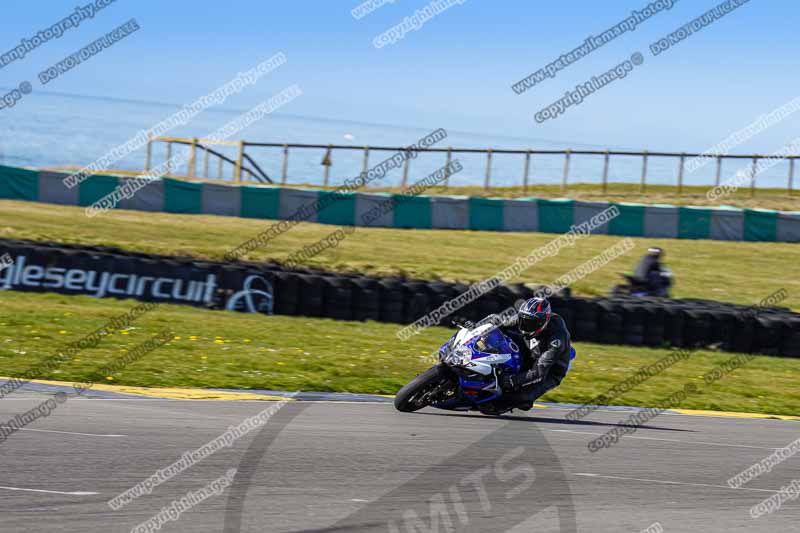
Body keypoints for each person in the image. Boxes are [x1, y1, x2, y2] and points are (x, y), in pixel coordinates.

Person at [481, 297, 572, 414]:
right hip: (530, 349)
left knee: (522, 398)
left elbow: (539, 373)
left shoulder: (556, 340)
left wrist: (512, 381)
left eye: (530, 323)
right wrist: (483, 325)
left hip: (550, 370)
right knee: (500, 333)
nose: (524, 326)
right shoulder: (525, 319)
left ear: (543, 322)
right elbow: (502, 322)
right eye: (523, 320)